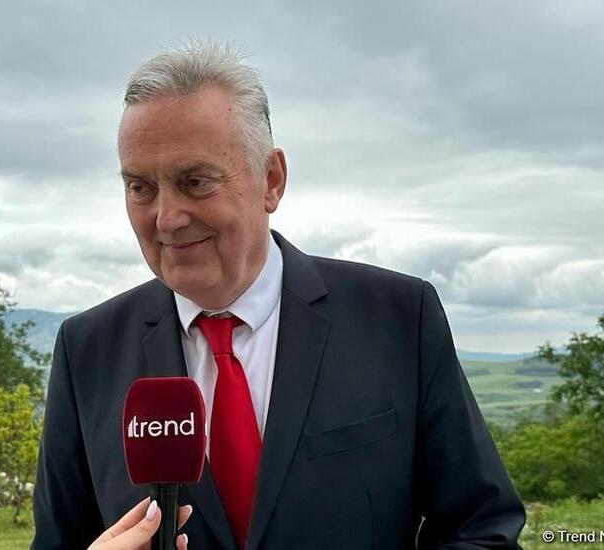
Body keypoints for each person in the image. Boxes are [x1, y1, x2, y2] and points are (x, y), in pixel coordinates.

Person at [31, 42, 526, 549]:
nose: (167, 218)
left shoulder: (399, 317)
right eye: (141, 188)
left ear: (271, 180)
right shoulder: (86, 349)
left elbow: (482, 529)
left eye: (195, 182)